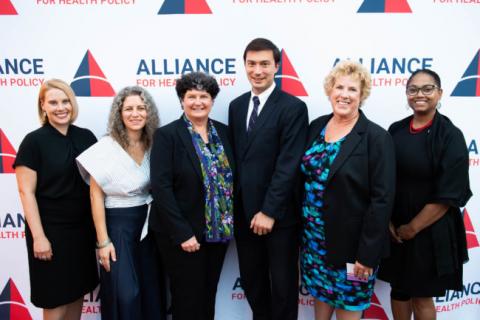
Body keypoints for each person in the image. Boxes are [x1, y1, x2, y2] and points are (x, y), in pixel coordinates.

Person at [300, 60, 395, 320]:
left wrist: (366, 255)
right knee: (320, 303)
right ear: (330, 91)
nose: (344, 94)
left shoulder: (376, 138)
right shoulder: (316, 126)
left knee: (349, 308)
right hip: (315, 244)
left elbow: (382, 201)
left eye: (352, 89)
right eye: (339, 87)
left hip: (354, 251)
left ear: (361, 96)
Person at [378, 69, 471, 320]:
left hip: (429, 230)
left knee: (421, 294)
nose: (420, 94)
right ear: (407, 94)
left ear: (439, 93)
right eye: (413, 89)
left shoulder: (450, 135)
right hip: (395, 228)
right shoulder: (395, 130)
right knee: (398, 289)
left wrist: (413, 228)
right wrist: (388, 221)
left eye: (427, 89)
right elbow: (383, 178)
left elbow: (448, 194)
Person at [228, 38, 308, 320]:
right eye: (251, 64)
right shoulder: (236, 107)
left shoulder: (293, 108)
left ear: (276, 66)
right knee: (253, 283)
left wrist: (269, 211)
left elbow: (288, 165)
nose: (257, 70)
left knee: (283, 288)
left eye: (264, 63)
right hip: (245, 215)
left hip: (279, 217)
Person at [149, 72, 234, 320]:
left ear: (212, 100)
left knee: (208, 293)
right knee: (187, 298)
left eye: (204, 96)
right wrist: (183, 233)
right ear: (181, 100)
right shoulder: (167, 135)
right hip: (182, 234)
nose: (198, 102)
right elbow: (161, 187)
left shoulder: (225, 133)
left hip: (217, 232)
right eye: (191, 96)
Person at [76, 86, 164, 320]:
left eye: (141, 108)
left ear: (149, 113)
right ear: (119, 113)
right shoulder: (105, 147)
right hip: (118, 227)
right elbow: (95, 196)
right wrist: (103, 241)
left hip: (149, 226)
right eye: (129, 109)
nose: (135, 114)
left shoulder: (155, 144)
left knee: (151, 291)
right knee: (126, 293)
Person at [14, 79, 99, 320]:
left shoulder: (86, 137)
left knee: (77, 294)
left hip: (81, 231)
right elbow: (25, 192)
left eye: (65, 101)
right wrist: (39, 237)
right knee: (55, 299)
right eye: (53, 102)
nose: (61, 107)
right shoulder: (33, 142)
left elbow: (98, 183)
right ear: (43, 106)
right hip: (50, 231)